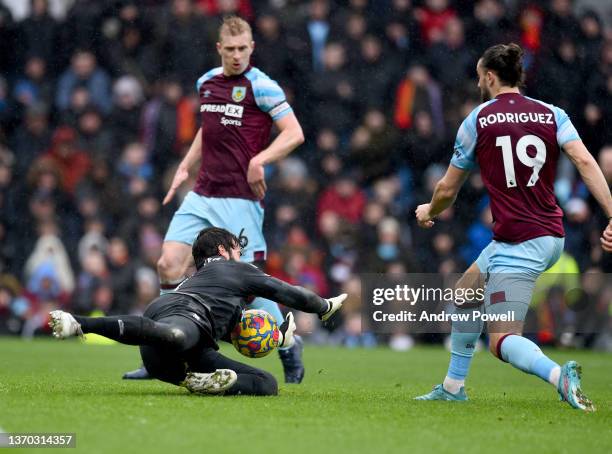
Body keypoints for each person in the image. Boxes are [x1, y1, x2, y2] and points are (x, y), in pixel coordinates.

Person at [413, 43, 612, 411]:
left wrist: (429, 209)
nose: (478, 83)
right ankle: (453, 386)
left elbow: (447, 188)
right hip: (546, 233)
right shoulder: (553, 114)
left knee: (501, 339)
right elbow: (584, 161)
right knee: (466, 293)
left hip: (522, 241)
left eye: (478, 76)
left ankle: (558, 376)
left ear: (489, 76)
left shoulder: (477, 120)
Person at [123, 16, 306, 382]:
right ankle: (163, 350)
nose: (237, 56)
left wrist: (260, 159)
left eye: (244, 49)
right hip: (202, 192)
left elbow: (295, 134)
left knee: (249, 289)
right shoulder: (206, 82)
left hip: (240, 200)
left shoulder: (263, 87)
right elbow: (208, 132)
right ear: (219, 48)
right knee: (168, 265)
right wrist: (185, 167)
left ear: (252, 48)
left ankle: (288, 343)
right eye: (231, 49)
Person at [50, 227, 346, 396]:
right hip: (182, 318)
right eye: (237, 249)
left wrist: (277, 337)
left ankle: (203, 383)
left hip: (171, 363)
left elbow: (229, 330)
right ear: (222, 250)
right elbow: (288, 292)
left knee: (266, 384)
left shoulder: (203, 280)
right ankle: (78, 323)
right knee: (177, 336)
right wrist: (323, 306)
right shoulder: (236, 269)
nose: (241, 256)